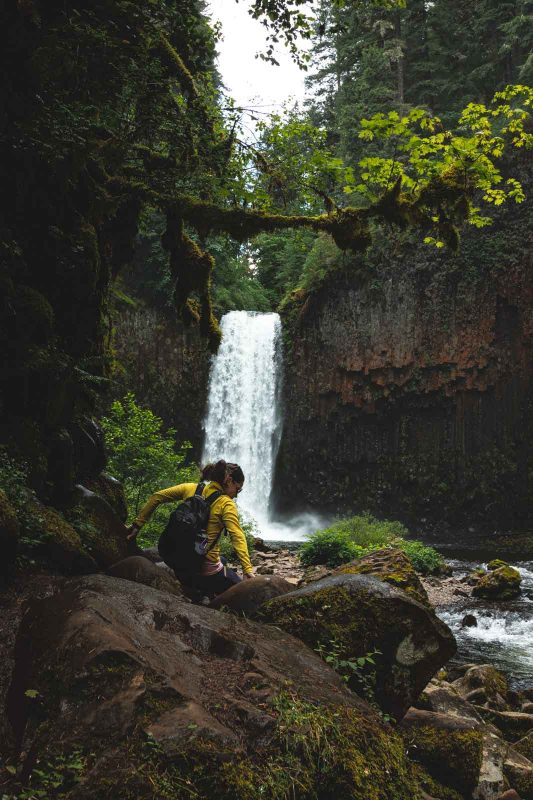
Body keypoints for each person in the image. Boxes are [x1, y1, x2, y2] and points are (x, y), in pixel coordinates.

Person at [127, 459, 254, 598]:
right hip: (204, 572)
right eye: (238, 489)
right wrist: (247, 570)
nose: (237, 494)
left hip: (179, 564)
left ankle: (193, 588)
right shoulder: (226, 504)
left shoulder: (191, 488)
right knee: (248, 594)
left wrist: (137, 525)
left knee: (223, 559)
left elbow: (156, 497)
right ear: (229, 480)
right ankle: (203, 590)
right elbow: (237, 536)